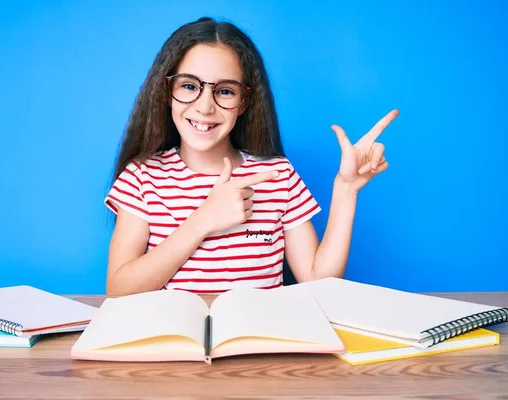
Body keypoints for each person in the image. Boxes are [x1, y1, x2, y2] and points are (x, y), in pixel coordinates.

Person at [104, 17, 398, 296]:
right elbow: (118, 290)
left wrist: (346, 189)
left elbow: (318, 282)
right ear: (167, 91)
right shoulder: (142, 177)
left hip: (259, 344)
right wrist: (204, 218)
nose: (205, 107)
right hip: (176, 347)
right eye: (190, 86)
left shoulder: (278, 175)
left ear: (244, 102)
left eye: (225, 91)